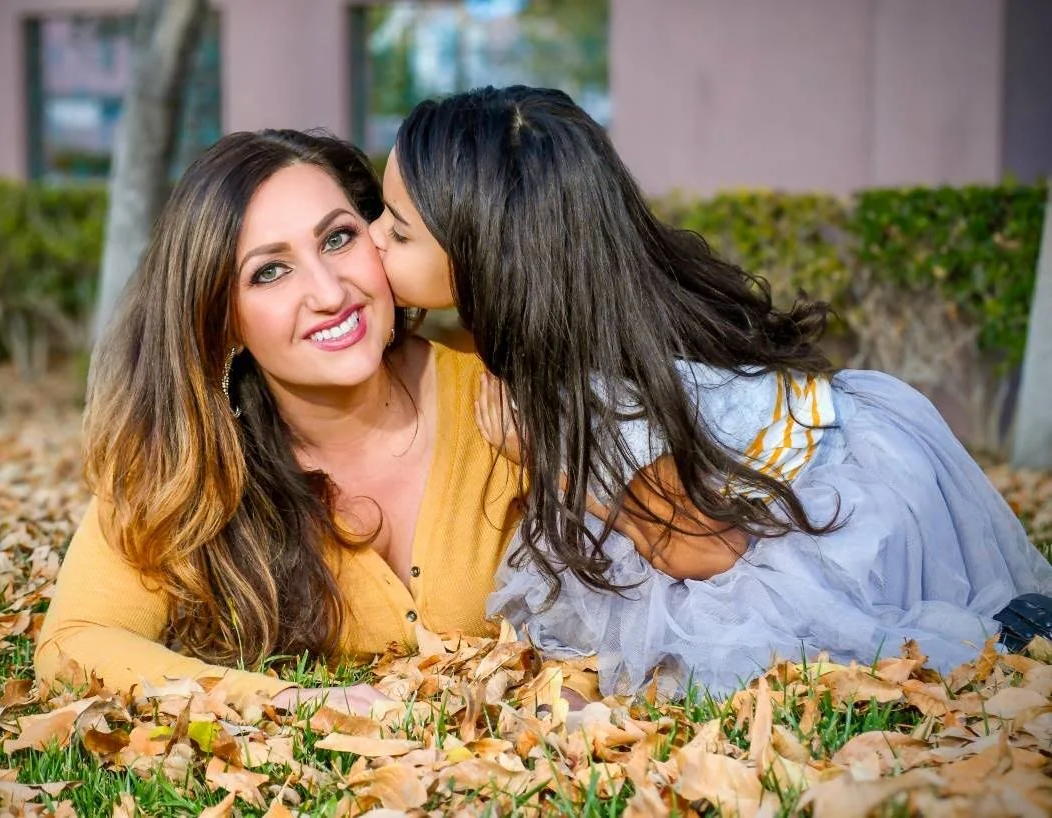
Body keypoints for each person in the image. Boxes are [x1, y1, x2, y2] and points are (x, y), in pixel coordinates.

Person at [367, 85, 1052, 697]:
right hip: (783, 481)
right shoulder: (599, 319)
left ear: (487, 257)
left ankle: (1017, 627)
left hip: (840, 523)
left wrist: (549, 459)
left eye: (396, 230)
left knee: (802, 641)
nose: (371, 240)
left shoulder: (598, 387)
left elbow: (701, 549)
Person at [34, 130, 521, 714]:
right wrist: (290, 701)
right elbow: (75, 641)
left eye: (338, 238)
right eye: (270, 272)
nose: (329, 293)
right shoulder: (187, 459)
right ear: (223, 320)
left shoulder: (506, 401)